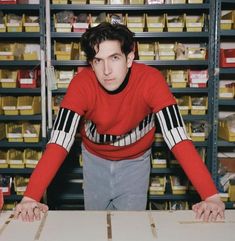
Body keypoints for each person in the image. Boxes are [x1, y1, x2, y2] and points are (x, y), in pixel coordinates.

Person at [14, 22, 225, 222]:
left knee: (131, 228)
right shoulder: (81, 83)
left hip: (136, 162)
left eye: (114, 58)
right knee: (96, 226)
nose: (106, 70)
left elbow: (177, 137)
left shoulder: (151, 80)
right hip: (95, 160)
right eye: (98, 60)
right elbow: (60, 140)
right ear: (91, 64)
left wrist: (211, 195)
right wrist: (31, 197)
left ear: (129, 58)